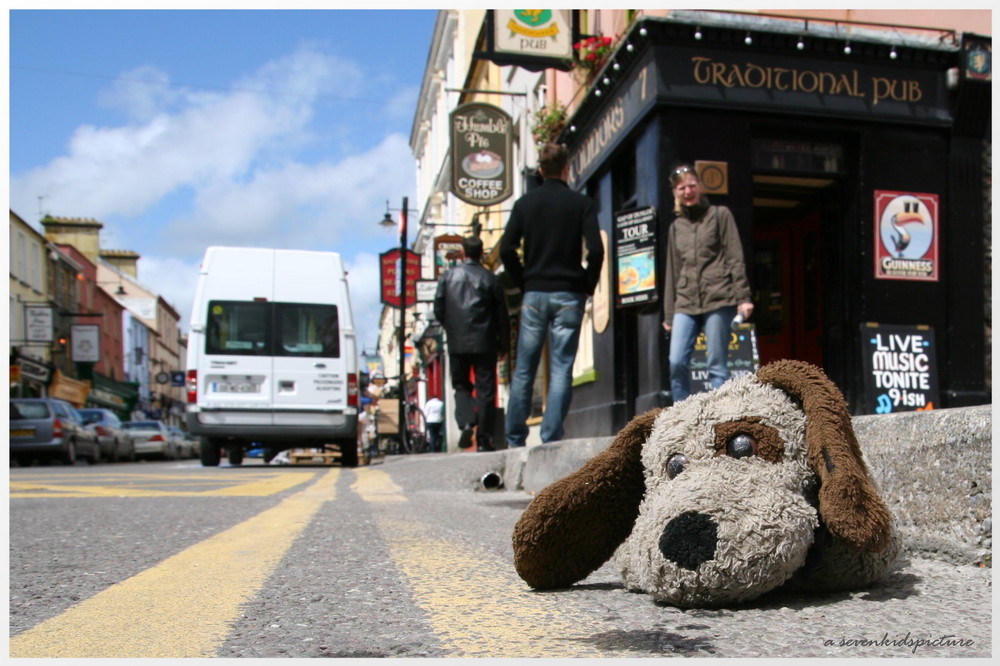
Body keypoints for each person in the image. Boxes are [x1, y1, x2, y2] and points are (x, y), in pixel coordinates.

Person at [500, 143, 604, 446]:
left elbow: (507, 248)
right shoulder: (580, 203)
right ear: (566, 168)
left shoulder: (524, 205)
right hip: (569, 294)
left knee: (524, 369)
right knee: (561, 368)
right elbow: (596, 249)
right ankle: (550, 438)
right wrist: (587, 283)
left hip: (534, 293)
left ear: (540, 170)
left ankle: (515, 438)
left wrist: (524, 281)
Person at [662, 164, 754, 403]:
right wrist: (669, 314)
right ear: (675, 192)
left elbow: (735, 256)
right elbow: (672, 270)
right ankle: (680, 417)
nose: (688, 191)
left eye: (692, 185)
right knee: (676, 362)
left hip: (719, 296)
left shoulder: (719, 215)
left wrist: (743, 297)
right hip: (685, 300)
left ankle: (719, 417)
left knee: (717, 364)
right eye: (682, 188)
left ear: (700, 187)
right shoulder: (676, 227)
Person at [433, 235, 510, 452]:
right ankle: (484, 440)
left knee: (460, 384)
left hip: (457, 342)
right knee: (486, 391)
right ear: (481, 253)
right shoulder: (490, 278)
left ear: (463, 253)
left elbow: (438, 309)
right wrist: (504, 345)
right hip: (485, 342)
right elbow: (501, 316)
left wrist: (452, 327)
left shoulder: (448, 278)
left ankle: (467, 421)